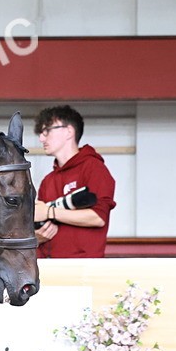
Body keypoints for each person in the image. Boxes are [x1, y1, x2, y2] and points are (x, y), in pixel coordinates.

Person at [33, 105, 115, 258]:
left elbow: (97, 218)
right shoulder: (48, 181)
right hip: (47, 266)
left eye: (47, 131)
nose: (41, 138)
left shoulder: (94, 168)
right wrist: (36, 237)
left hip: (82, 268)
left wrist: (50, 212)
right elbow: (41, 222)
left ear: (69, 131)